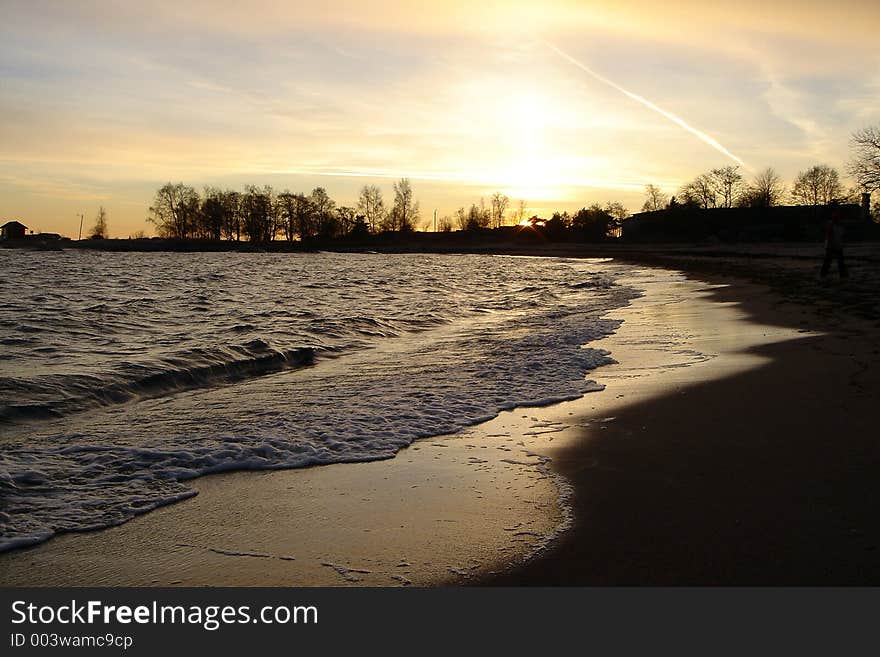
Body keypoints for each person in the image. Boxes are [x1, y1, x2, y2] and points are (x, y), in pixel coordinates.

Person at [821, 202, 847, 279]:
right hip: (833, 244)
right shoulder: (832, 224)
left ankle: (842, 274)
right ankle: (824, 274)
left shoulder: (838, 224)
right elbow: (829, 235)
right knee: (832, 261)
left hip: (836, 244)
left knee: (837, 261)